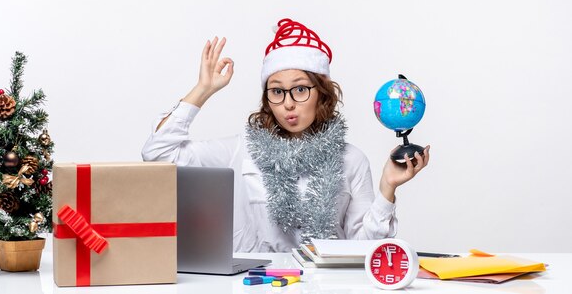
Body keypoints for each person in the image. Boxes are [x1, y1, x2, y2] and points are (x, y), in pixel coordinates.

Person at [142, 18, 429, 253]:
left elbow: (365, 249)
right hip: (256, 284)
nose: (289, 103)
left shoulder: (351, 159)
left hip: (327, 286)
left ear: (322, 94)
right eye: (277, 91)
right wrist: (203, 89)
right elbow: (159, 154)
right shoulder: (243, 150)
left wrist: (388, 187)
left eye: (301, 89)